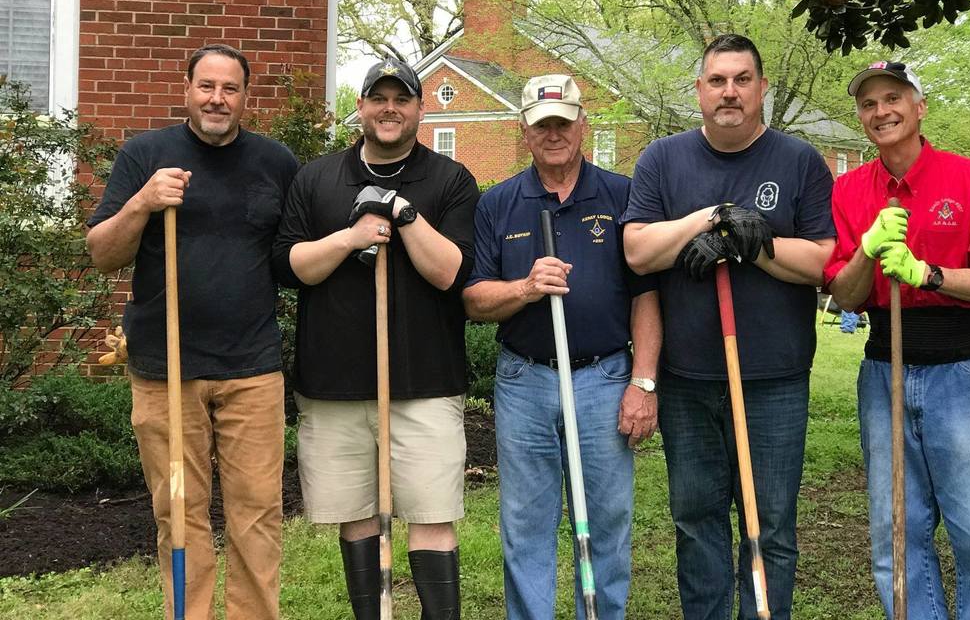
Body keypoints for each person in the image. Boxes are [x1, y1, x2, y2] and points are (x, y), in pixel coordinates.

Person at [621, 34, 835, 620]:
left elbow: (823, 261)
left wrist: (752, 244)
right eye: (717, 81)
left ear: (762, 88)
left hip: (774, 378)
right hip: (688, 378)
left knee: (771, 525)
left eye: (742, 80)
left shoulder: (799, 161)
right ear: (699, 90)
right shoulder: (662, 159)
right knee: (696, 522)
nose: (730, 92)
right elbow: (638, 251)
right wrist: (709, 219)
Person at [86, 43, 299, 620]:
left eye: (230, 89)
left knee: (258, 514)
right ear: (187, 89)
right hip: (166, 369)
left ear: (246, 97)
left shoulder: (276, 162)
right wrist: (143, 202)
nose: (217, 99)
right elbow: (103, 254)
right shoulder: (145, 155)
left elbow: (293, 256)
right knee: (180, 512)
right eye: (207, 86)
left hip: (252, 368)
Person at [272, 56, 478, 620]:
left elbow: (451, 273)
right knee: (358, 516)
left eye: (402, 99)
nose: (390, 109)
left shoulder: (450, 180)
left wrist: (403, 215)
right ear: (360, 107)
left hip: (426, 383)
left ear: (419, 109)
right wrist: (351, 236)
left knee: (432, 514)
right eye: (378, 99)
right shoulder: (317, 179)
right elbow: (289, 267)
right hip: (334, 384)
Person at [824, 61, 970, 620]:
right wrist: (867, 251)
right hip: (883, 370)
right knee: (897, 535)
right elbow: (845, 295)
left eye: (893, 98)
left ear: (920, 107)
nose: (881, 112)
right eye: (869, 104)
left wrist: (927, 274)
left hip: (960, 371)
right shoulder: (848, 190)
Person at [463, 74, 661, 620]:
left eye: (563, 122)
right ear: (524, 131)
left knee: (606, 521)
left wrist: (643, 382)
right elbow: (474, 300)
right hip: (524, 381)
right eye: (542, 124)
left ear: (583, 125)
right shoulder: (499, 203)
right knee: (525, 524)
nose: (554, 134)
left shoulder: (622, 195)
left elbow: (647, 296)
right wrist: (525, 288)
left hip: (604, 377)